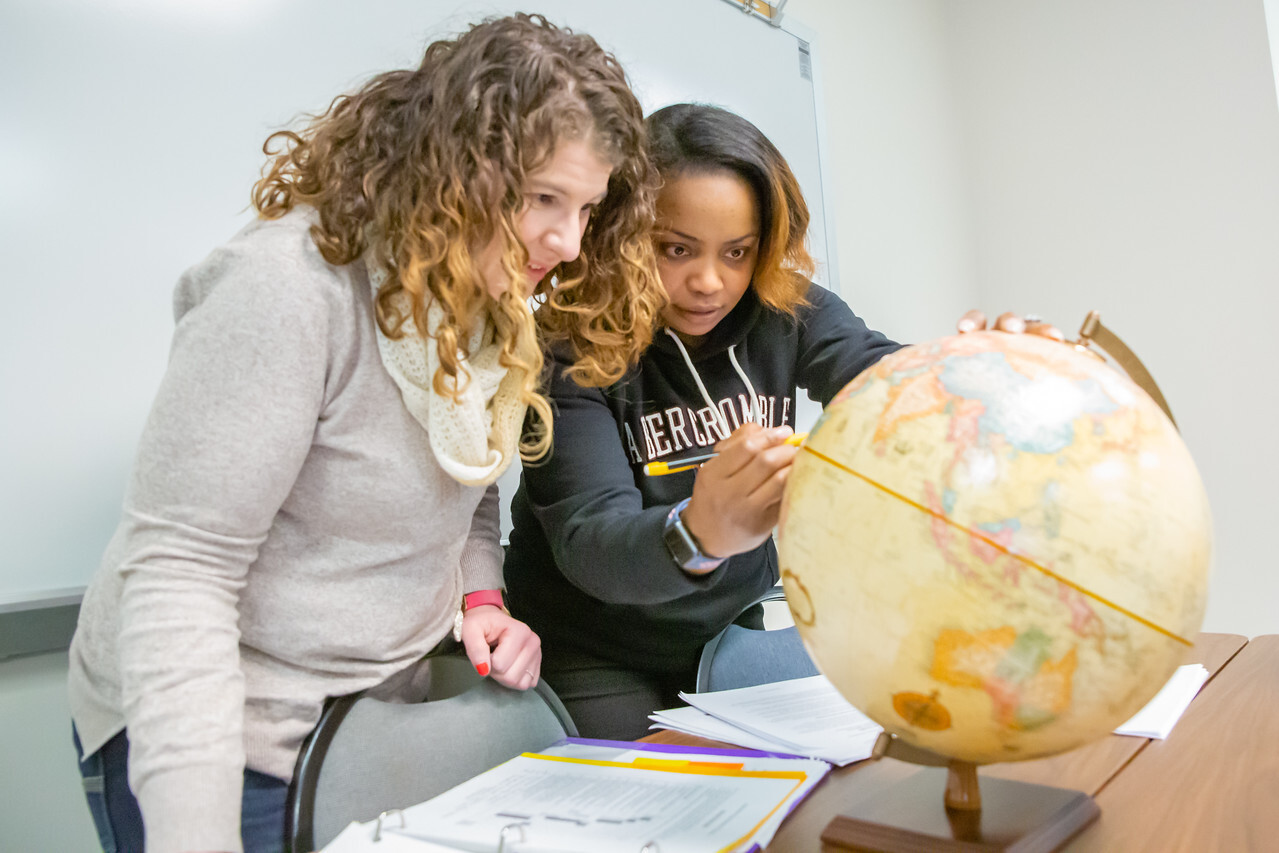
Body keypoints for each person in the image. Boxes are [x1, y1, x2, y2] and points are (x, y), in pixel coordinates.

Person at [66, 14, 665, 853]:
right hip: (214, 738)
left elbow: (468, 480)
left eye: (586, 208)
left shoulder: (477, 299)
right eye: (542, 199)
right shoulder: (285, 289)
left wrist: (480, 598)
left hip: (363, 730)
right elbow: (179, 576)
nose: (565, 243)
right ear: (454, 167)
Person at [502, 103, 904, 740]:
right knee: (647, 809)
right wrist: (701, 531)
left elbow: (883, 380)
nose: (710, 282)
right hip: (592, 642)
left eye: (738, 252)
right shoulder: (562, 347)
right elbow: (591, 543)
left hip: (725, 626)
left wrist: (984, 372)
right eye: (675, 249)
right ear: (621, 235)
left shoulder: (783, 306)